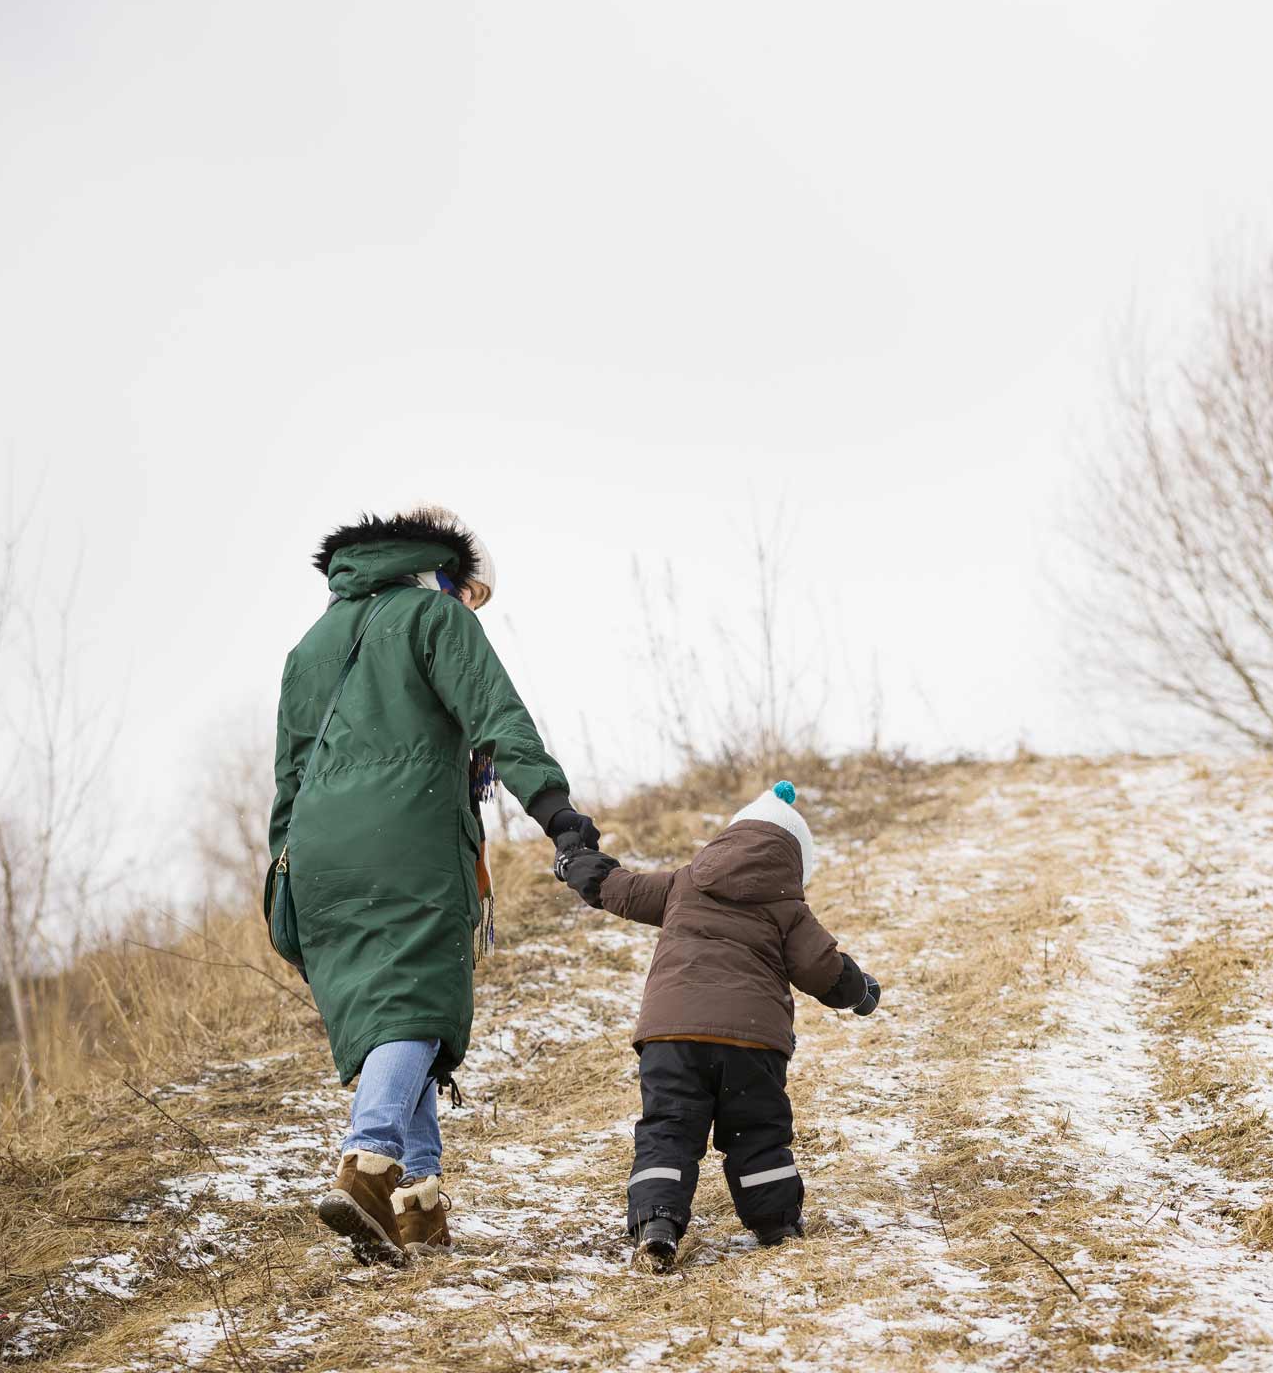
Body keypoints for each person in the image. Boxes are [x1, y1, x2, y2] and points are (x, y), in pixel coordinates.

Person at [265, 505, 598, 1264]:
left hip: (316, 854)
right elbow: (496, 717)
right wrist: (557, 812)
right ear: (449, 575)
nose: (472, 610)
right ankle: (369, 1163)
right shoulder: (434, 619)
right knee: (417, 1004)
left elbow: (286, 779)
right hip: (410, 836)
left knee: (391, 1013)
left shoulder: (308, 647)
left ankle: (417, 1205)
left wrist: (280, 875)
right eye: (473, 597)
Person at [558, 780, 881, 1272]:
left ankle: (658, 1224)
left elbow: (614, 887)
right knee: (756, 1131)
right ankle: (776, 1224)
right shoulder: (788, 909)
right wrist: (859, 992)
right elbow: (823, 969)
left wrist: (576, 861)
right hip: (752, 1042)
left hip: (672, 1037)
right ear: (794, 860)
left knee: (668, 1128)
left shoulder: (682, 883)